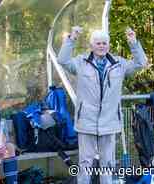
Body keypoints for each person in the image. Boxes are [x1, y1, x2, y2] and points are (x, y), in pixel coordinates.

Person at [57, 27, 148, 184]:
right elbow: (62, 60)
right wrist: (71, 39)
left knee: (107, 164)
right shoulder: (80, 62)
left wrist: (133, 43)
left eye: (104, 43)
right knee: (85, 163)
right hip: (86, 121)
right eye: (98, 43)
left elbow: (141, 63)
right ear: (92, 46)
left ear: (109, 45)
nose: (101, 46)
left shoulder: (119, 64)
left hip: (109, 122)